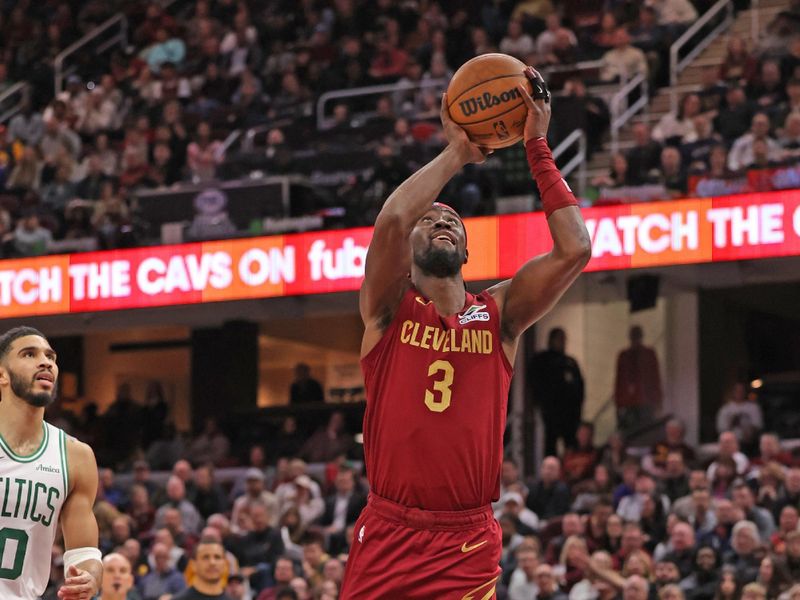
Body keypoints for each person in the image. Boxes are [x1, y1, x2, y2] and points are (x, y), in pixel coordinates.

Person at [339, 68, 591, 599]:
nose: (442, 222)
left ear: (468, 250)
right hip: (389, 530)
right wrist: (458, 152)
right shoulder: (388, 309)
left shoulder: (501, 313)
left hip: (466, 539)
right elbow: (390, 222)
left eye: (452, 219)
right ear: (408, 254)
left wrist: (537, 147)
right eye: (428, 220)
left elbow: (575, 250)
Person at [0, 326, 103, 599]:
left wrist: (89, 577)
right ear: (2, 374)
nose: (46, 361)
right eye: (29, 354)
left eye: (51, 357)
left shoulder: (75, 456)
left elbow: (84, 554)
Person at [530, 327, 585, 456]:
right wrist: (541, 404)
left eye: (564, 339)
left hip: (570, 413)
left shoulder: (570, 362)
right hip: (551, 411)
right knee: (550, 443)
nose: (563, 342)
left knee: (571, 444)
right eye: (560, 339)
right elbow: (535, 384)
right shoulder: (542, 361)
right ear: (551, 340)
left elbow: (580, 387)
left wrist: (578, 409)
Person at [614, 326, 663, 433]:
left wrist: (657, 400)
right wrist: (619, 403)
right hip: (628, 402)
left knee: (646, 431)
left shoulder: (649, 354)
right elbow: (619, 381)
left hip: (645, 401)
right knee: (629, 432)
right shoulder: (624, 355)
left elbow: (655, 378)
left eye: (637, 335)